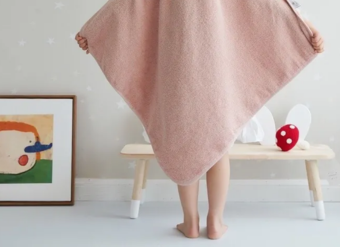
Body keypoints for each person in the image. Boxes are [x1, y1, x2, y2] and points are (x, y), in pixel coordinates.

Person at [75, 15, 324, 239]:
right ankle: (215, 222)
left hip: (178, 67)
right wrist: (307, 27)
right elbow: (266, 0)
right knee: (220, 146)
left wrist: (95, 32)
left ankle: (190, 221)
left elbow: (132, 1)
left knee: (183, 144)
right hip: (220, 68)